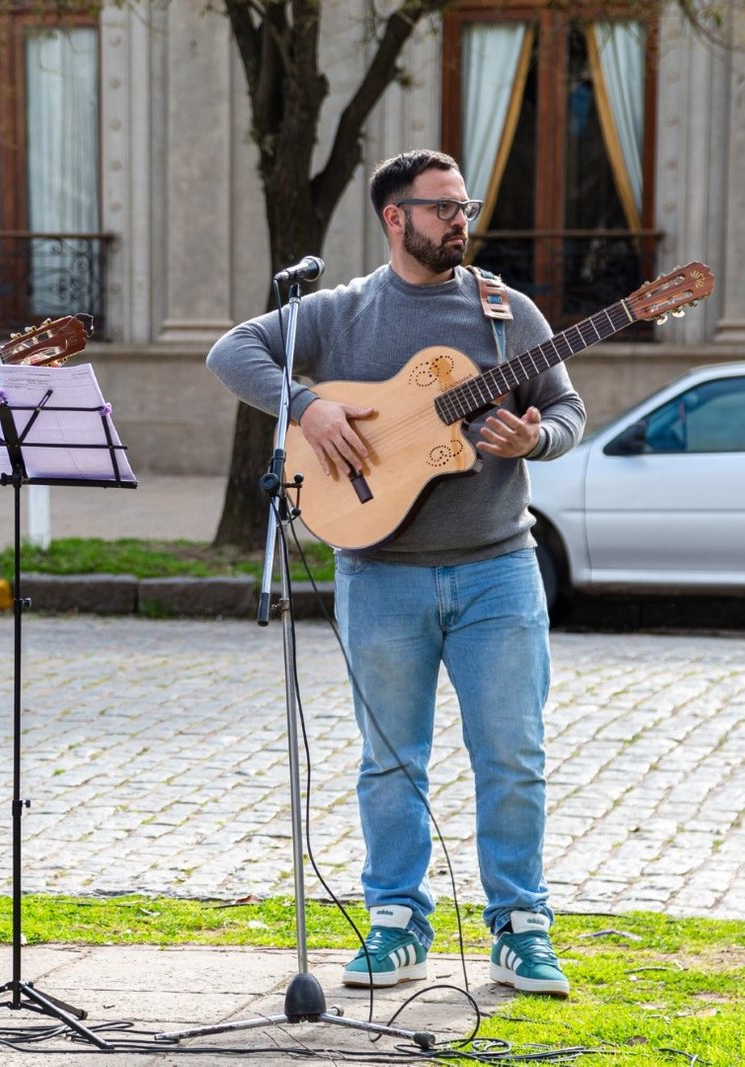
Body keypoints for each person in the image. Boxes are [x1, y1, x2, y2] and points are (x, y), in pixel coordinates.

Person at [206, 149, 586, 997]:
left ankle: (521, 928)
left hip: (498, 569)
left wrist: (537, 439)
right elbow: (232, 351)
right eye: (444, 207)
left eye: (465, 207)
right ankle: (395, 921)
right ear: (395, 216)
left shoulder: (507, 312)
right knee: (390, 761)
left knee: (513, 754)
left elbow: (567, 410)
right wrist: (308, 405)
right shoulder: (341, 312)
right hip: (378, 574)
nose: (460, 220)